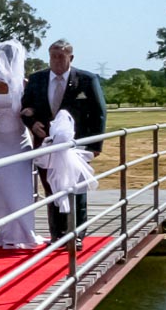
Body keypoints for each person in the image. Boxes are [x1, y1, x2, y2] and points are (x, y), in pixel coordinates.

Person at [20, 38, 107, 248]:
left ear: (71, 57)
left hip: (76, 147)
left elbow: (99, 112)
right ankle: (57, 235)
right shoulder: (37, 79)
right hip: (46, 145)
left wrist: (95, 145)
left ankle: (76, 234)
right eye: (53, 56)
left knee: (75, 189)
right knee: (52, 189)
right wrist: (32, 123)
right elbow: (25, 107)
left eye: (61, 56)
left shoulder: (86, 79)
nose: (57, 61)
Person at [0, 40, 44, 249]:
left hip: (17, 140)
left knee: (18, 185)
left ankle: (24, 231)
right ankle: (5, 230)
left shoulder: (25, 84)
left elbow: (35, 107)